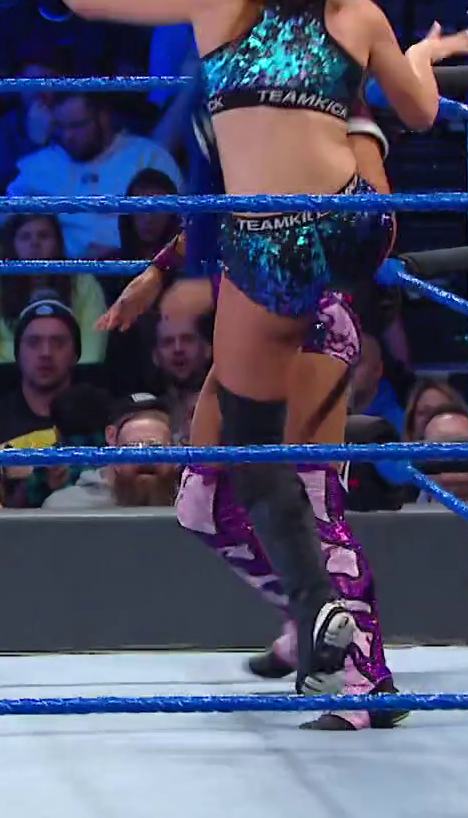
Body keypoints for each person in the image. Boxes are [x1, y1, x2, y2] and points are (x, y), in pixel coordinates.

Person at [15, 0, 468, 695]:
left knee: (251, 447)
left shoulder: (213, 2)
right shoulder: (358, 14)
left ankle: (317, 610)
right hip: (357, 223)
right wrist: (421, 56)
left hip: (269, 245)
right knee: (354, 139)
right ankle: (314, 611)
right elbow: (424, 113)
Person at [99, 104, 405, 728]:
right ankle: (311, 614)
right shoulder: (244, 138)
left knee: (308, 500)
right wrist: (157, 273)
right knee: (201, 504)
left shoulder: (319, 144)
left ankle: (364, 681)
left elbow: (372, 227)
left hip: (306, 328)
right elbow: (216, 221)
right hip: (244, 334)